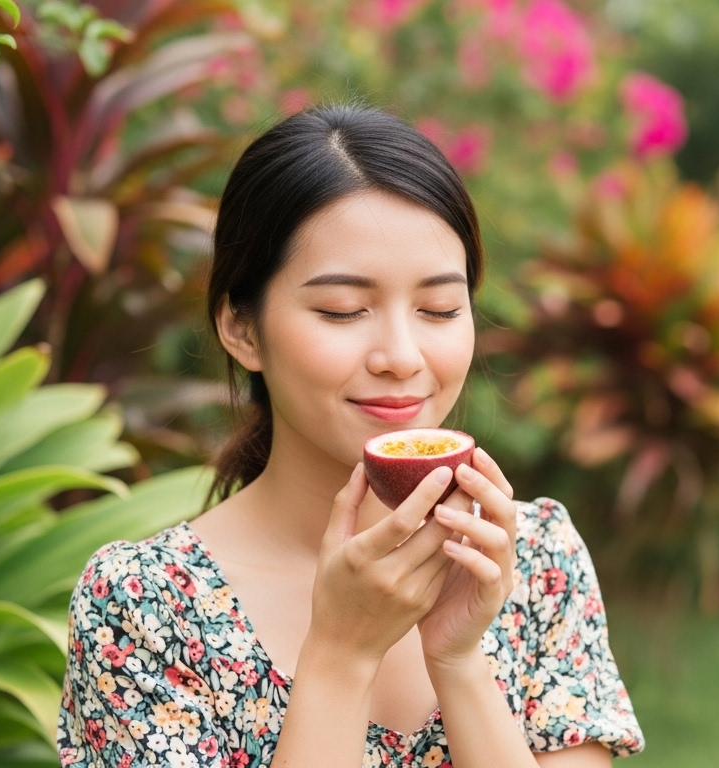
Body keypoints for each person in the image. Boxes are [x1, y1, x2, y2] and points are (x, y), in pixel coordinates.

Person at [56, 104, 645, 767]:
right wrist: (341, 655)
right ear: (242, 329)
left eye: (440, 309)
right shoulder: (143, 607)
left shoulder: (535, 562)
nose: (400, 354)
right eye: (342, 310)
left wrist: (459, 662)